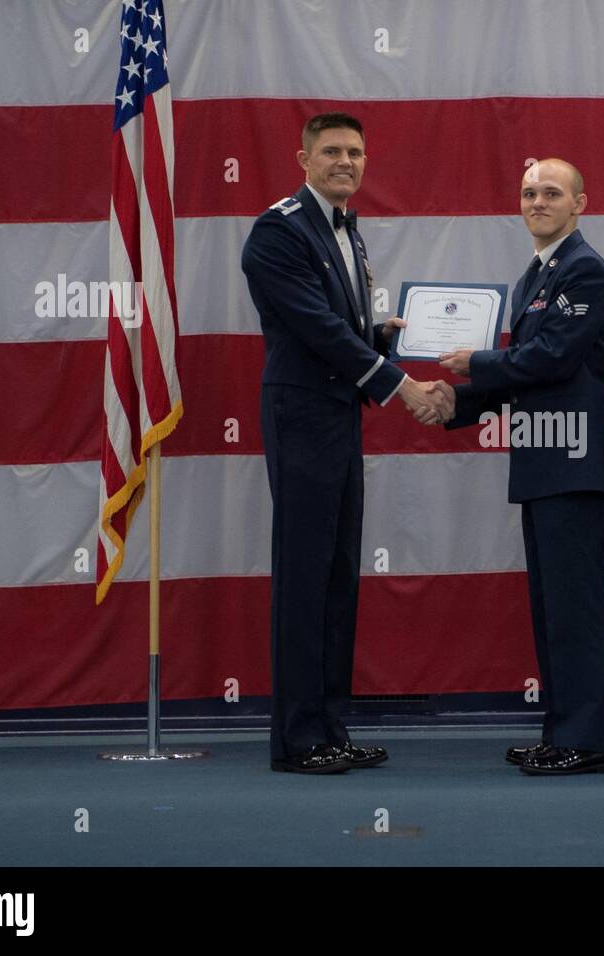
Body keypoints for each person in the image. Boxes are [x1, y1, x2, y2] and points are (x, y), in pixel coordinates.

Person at [241, 112, 451, 774]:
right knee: (305, 577)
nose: (345, 161)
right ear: (302, 159)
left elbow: (342, 327)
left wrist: (380, 336)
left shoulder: (345, 228)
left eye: (355, 152)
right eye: (331, 150)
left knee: (336, 578)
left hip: (336, 416)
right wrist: (398, 383)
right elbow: (314, 328)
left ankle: (330, 726)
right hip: (303, 416)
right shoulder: (278, 230)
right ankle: (298, 738)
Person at [434, 158, 604, 775]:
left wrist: (476, 365)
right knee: (552, 609)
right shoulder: (535, 276)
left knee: (576, 607)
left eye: (551, 193)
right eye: (528, 193)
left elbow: (552, 357)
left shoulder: (584, 268)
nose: (537, 202)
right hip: (543, 460)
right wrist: (455, 403)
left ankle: (589, 740)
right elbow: (525, 373)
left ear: (579, 203)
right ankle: (562, 730)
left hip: (572, 459)